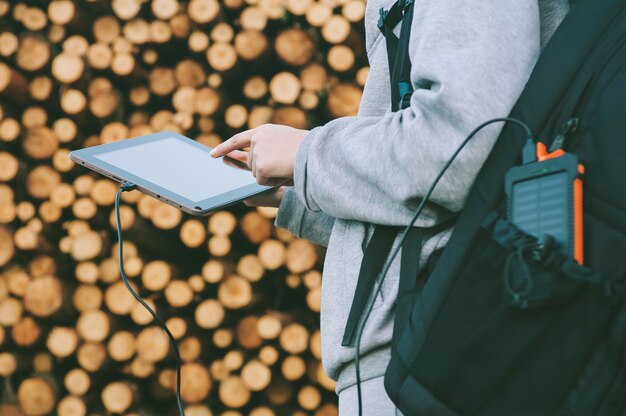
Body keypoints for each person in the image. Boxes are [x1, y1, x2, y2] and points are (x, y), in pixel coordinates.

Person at [211, 1, 571, 413]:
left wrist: (307, 156)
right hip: (425, 344)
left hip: (425, 350)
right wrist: (299, 188)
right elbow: (439, 199)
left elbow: (451, 151)